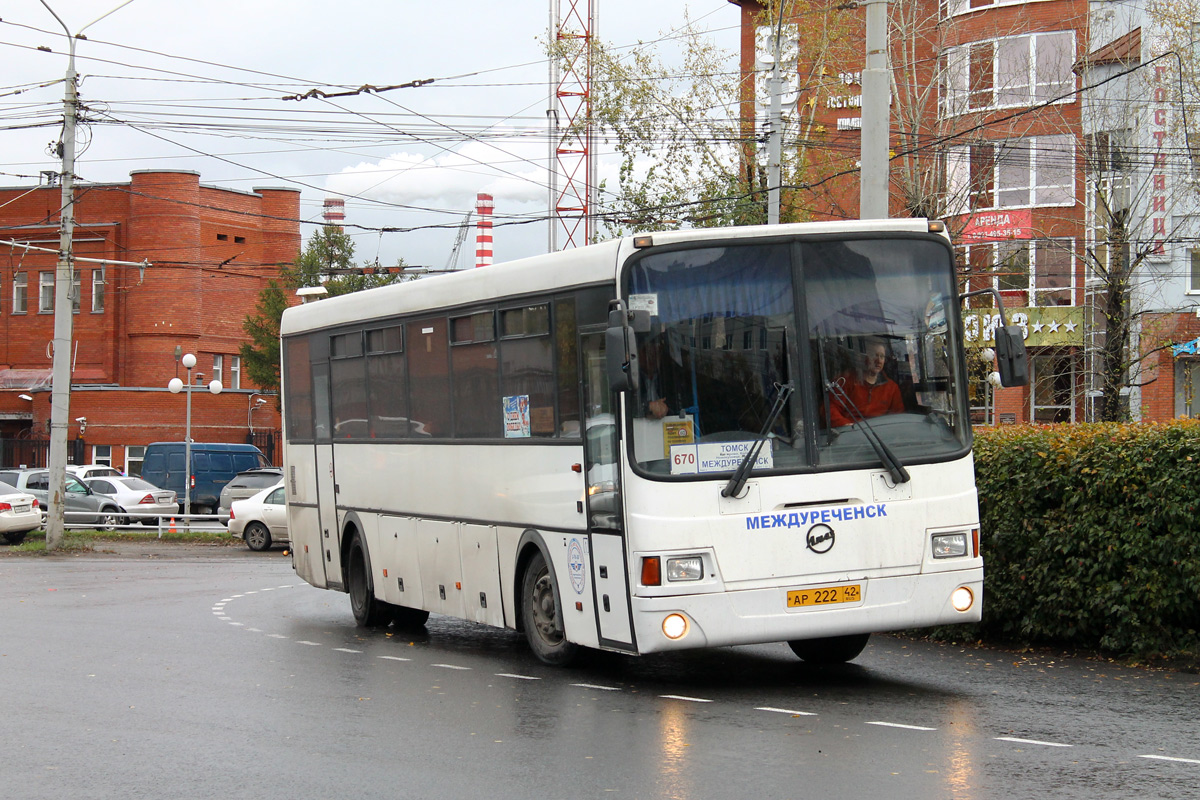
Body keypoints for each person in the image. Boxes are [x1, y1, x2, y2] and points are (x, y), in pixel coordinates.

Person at [828, 338, 904, 427]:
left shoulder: (891, 388)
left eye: (882, 356)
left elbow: (899, 418)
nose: (879, 361)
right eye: (874, 355)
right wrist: (846, 425)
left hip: (881, 436)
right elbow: (830, 409)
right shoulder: (845, 381)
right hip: (851, 434)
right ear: (863, 357)